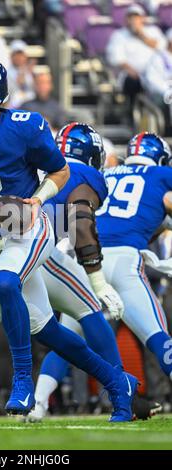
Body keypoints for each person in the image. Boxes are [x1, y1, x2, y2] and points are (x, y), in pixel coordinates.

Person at [0, 55, 138, 423]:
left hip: (26, 228)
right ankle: (119, 384)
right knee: (38, 327)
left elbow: (59, 171)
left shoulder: (24, 127)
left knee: (5, 281)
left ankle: (22, 380)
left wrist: (37, 199)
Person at [27, 124, 161, 422]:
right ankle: (122, 394)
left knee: (59, 334)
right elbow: (82, 224)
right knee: (91, 315)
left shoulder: (39, 167)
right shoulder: (88, 175)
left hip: (21, 254)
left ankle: (35, 402)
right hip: (58, 255)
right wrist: (98, 282)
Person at [96, 132, 172, 386]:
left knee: (68, 337)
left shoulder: (105, 174)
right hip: (125, 259)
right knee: (157, 335)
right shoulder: (161, 175)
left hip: (87, 261)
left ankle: (38, 402)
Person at [106, 4, 166, 106]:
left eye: (136, 17)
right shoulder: (119, 35)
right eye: (131, 17)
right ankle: (133, 112)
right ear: (126, 20)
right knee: (132, 82)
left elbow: (162, 48)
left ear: (142, 18)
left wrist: (141, 36)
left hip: (156, 73)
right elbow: (117, 59)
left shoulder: (153, 31)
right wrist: (134, 72)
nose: (134, 20)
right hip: (132, 75)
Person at [21, 67, 67, 132]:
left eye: (45, 83)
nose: (42, 86)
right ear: (34, 85)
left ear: (50, 85)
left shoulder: (57, 107)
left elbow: (62, 130)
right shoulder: (25, 106)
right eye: (39, 83)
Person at [7, 40, 35, 108]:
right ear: (11, 56)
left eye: (21, 54)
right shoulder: (6, 73)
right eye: (16, 54)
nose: (19, 58)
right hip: (13, 106)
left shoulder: (30, 72)